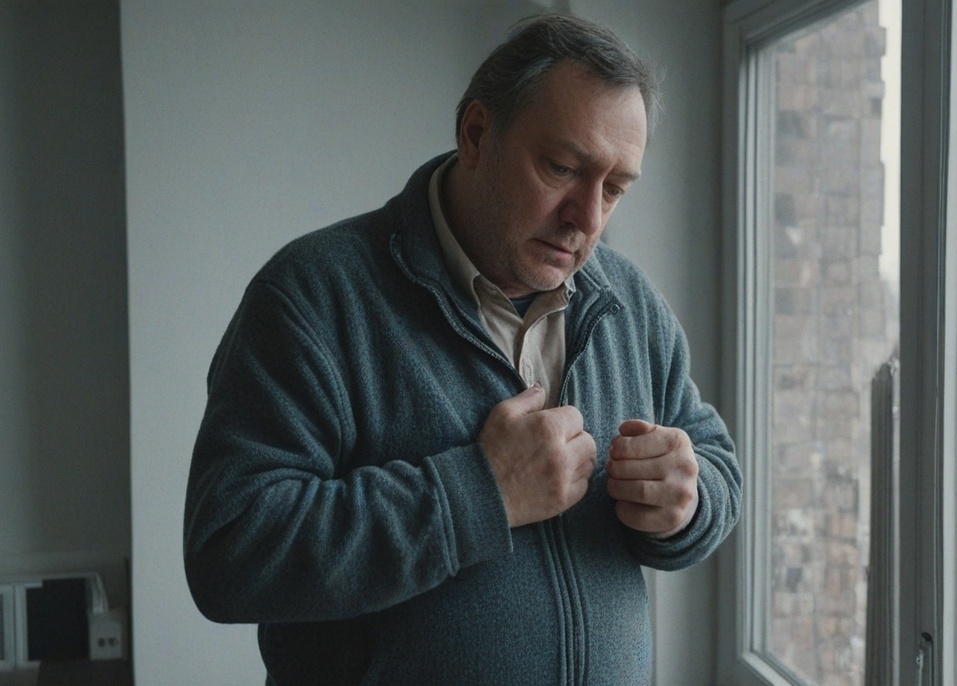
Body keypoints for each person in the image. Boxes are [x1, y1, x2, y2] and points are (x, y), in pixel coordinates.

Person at [183, 12, 742, 686]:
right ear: (477, 134)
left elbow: (714, 460)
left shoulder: (629, 300)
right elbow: (231, 552)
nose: (588, 218)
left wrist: (690, 500)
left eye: (616, 188)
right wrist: (479, 494)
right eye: (562, 167)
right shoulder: (312, 297)